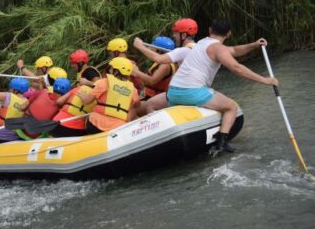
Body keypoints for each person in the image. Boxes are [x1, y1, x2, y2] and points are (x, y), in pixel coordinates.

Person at [139, 18, 277, 153]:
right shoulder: (219, 49)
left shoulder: (201, 43)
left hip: (173, 92)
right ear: (229, 34)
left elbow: (234, 50)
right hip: (192, 93)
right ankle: (221, 143)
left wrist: (253, 45)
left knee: (151, 104)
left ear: (210, 30)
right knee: (231, 107)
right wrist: (265, 80)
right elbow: (236, 68)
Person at [133, 18, 199, 114]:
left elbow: (152, 80)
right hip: (186, 91)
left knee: (136, 107)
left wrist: (136, 71)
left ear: (184, 35)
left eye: (176, 33)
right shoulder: (198, 48)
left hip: (162, 95)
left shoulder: (167, 63)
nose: (173, 35)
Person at [79, 57, 141, 134]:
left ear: (116, 71)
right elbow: (136, 106)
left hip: (96, 124)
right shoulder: (133, 90)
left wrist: (83, 96)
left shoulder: (104, 82)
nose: (110, 70)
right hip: (118, 127)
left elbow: (87, 101)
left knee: (89, 117)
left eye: (111, 68)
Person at [49, 67, 102, 137]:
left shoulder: (77, 89)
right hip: (78, 130)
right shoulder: (100, 97)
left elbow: (59, 101)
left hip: (58, 123)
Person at [0, 72, 30, 144]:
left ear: (15, 90)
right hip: (18, 133)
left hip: (6, 132)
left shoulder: (8, 96)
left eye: (11, 88)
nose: (10, 89)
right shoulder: (27, 101)